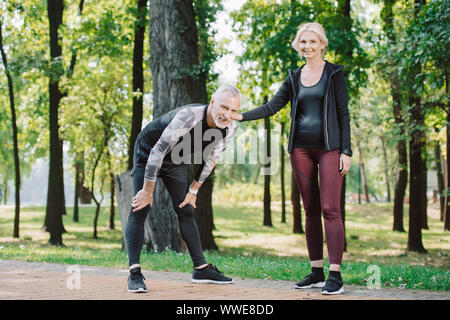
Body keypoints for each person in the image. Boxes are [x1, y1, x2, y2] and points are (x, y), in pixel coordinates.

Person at [235, 22, 352, 295]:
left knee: (330, 209)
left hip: (330, 148)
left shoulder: (334, 73)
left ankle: (335, 275)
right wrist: (241, 116)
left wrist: (346, 150)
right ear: (298, 46)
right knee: (310, 209)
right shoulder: (293, 76)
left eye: (312, 42)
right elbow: (272, 106)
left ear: (322, 44)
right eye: (303, 42)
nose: (307, 47)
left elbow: (343, 113)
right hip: (300, 150)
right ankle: (316, 272)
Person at [126, 85, 241, 293]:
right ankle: (134, 273)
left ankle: (201, 270)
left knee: (186, 209)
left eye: (233, 110)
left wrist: (193, 191)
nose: (227, 115)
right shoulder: (189, 116)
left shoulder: (230, 127)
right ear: (213, 102)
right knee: (140, 207)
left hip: (177, 159)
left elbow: (211, 160)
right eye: (224, 107)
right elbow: (157, 152)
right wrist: (147, 190)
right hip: (148, 151)